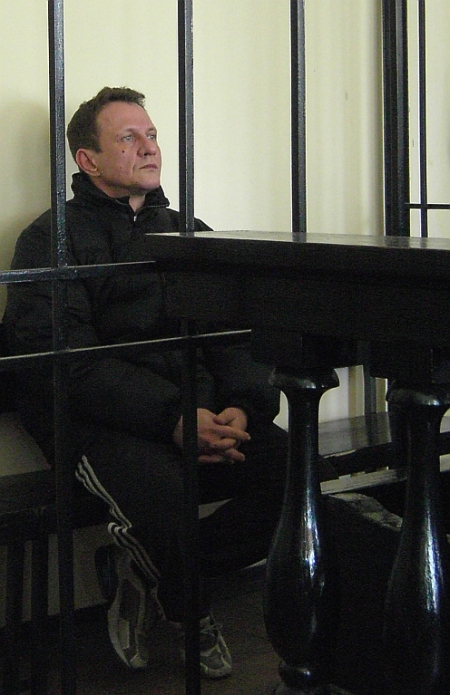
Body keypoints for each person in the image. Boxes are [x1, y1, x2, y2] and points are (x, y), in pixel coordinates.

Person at [3, 86, 293, 680]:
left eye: (153, 134)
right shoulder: (50, 238)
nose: (150, 147)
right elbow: (68, 364)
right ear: (87, 160)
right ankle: (190, 609)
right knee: (164, 496)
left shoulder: (189, 231)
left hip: (198, 412)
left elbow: (233, 336)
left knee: (293, 472)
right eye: (128, 137)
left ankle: (146, 574)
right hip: (97, 424)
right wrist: (173, 418)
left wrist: (242, 406)